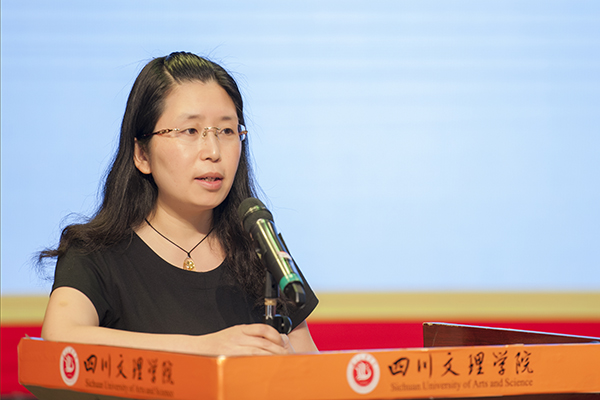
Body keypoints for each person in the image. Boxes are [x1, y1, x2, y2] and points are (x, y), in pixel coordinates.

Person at [39, 51, 319, 356]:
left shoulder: (259, 249)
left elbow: (312, 370)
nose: (213, 151)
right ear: (142, 154)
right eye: (190, 131)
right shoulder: (94, 254)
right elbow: (60, 337)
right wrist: (204, 349)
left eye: (227, 131)